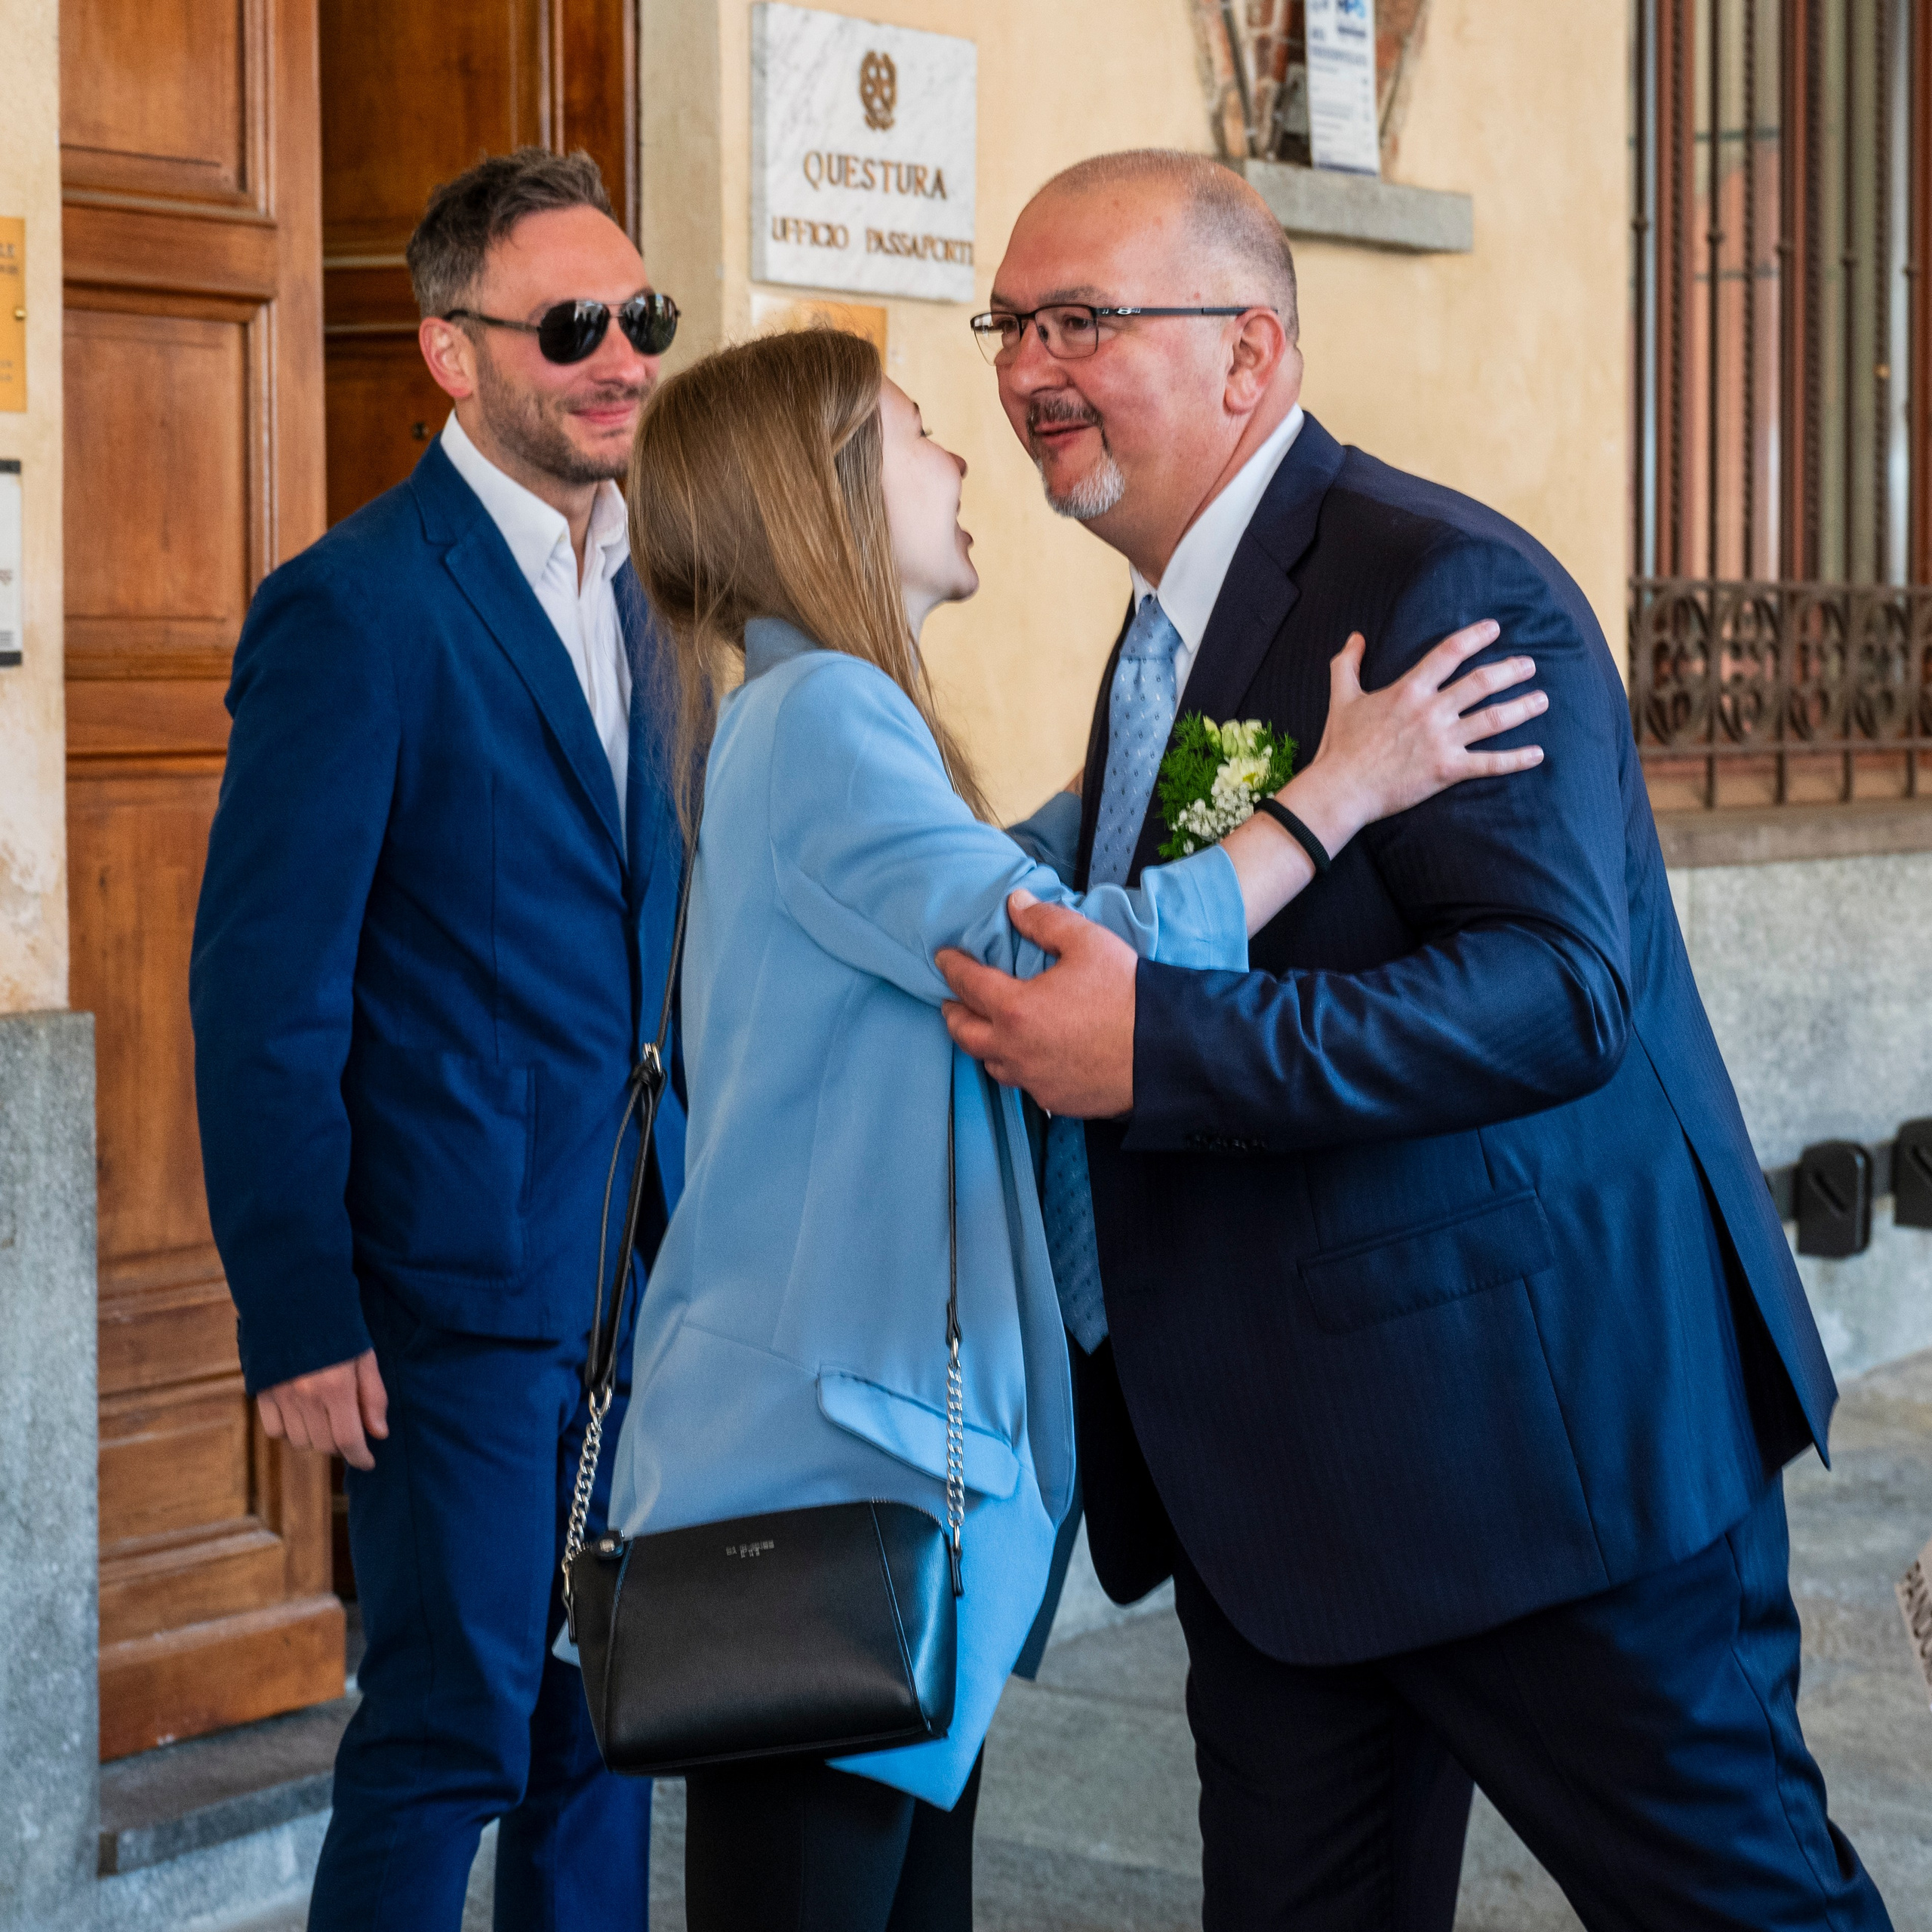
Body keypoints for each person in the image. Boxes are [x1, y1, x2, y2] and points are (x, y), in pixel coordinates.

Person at [937, 148, 1893, 1930]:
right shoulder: (1165, 628)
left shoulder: (1445, 583)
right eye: (1008, 322)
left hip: (1530, 1461)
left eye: (1079, 320)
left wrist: (1160, 1046)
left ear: (1248, 355)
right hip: (1283, 1494)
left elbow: (1553, 990)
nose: (1020, 369)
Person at [605, 323, 1545, 1932]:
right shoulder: (821, 712)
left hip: (882, 1459)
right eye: (913, 428)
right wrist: (1336, 792)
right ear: (820, 493)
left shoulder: (805, 717)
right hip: (840, 1475)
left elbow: (1008, 871)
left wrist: (1147, 747)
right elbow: (1056, 952)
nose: (959, 454)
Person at [189, 149, 685, 1932]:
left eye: (642, 317)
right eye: (571, 324)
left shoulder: (663, 585)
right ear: (450, 353)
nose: (618, 355)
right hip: (451, 1300)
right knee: (449, 1736)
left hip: (644, 1278)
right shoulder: (356, 605)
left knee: (603, 1737)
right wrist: (299, 1305)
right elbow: (266, 987)